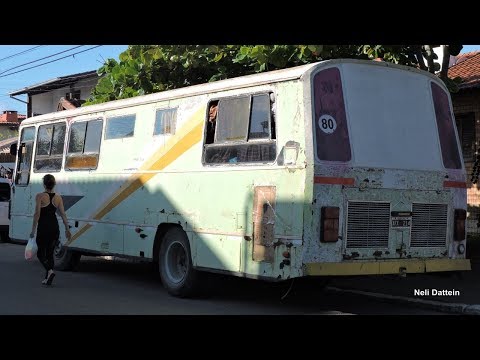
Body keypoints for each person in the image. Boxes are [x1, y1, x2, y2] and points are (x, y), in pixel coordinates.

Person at [30, 174, 71, 286]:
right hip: (54, 228)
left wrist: (33, 231)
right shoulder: (58, 198)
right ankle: (47, 278)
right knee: (49, 253)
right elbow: (63, 214)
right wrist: (67, 229)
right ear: (54, 184)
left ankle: (50, 271)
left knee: (40, 254)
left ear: (44, 184)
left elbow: (37, 214)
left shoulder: (40, 196)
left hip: (44, 228)